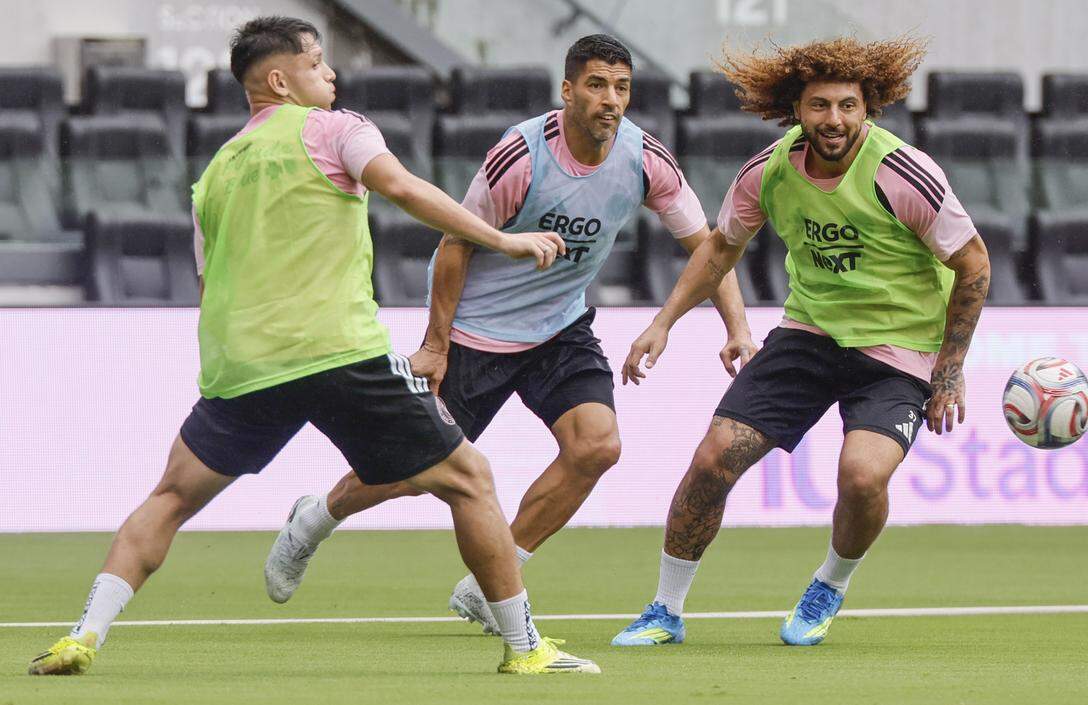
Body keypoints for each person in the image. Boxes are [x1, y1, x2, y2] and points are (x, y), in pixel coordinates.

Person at [29, 16, 599, 676]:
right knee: (470, 480)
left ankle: (83, 634)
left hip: (241, 365)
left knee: (169, 498)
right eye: (317, 63)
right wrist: (503, 240)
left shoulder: (213, 174)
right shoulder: (335, 128)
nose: (330, 74)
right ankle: (526, 649)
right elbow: (403, 188)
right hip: (336, 352)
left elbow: (210, 278)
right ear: (279, 79)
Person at [263, 34, 755, 635]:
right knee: (410, 473)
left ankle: (488, 581)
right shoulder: (521, 156)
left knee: (596, 446)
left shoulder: (645, 158)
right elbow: (455, 243)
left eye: (621, 88)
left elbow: (708, 247)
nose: (611, 100)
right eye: (596, 85)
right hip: (476, 331)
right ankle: (317, 517)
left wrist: (734, 326)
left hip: (560, 328)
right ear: (568, 90)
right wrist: (437, 344)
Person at [611, 36, 990, 647]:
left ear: (869, 107)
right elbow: (720, 250)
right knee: (712, 460)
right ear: (797, 108)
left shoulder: (904, 175)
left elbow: (974, 265)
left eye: (847, 105)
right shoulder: (767, 171)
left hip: (899, 351)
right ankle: (664, 609)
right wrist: (664, 322)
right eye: (819, 105)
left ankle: (830, 584)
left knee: (863, 479)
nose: (833, 119)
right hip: (809, 334)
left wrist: (949, 369)